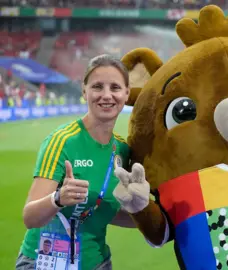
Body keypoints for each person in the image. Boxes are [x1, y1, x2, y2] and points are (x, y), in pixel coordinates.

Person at [15, 54, 136, 270]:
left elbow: (104, 211)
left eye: (115, 88)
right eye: (97, 86)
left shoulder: (123, 150)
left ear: (127, 93)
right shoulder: (62, 141)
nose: (106, 95)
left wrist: (150, 217)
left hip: (96, 262)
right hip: (44, 262)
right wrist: (58, 198)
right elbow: (30, 218)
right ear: (84, 91)